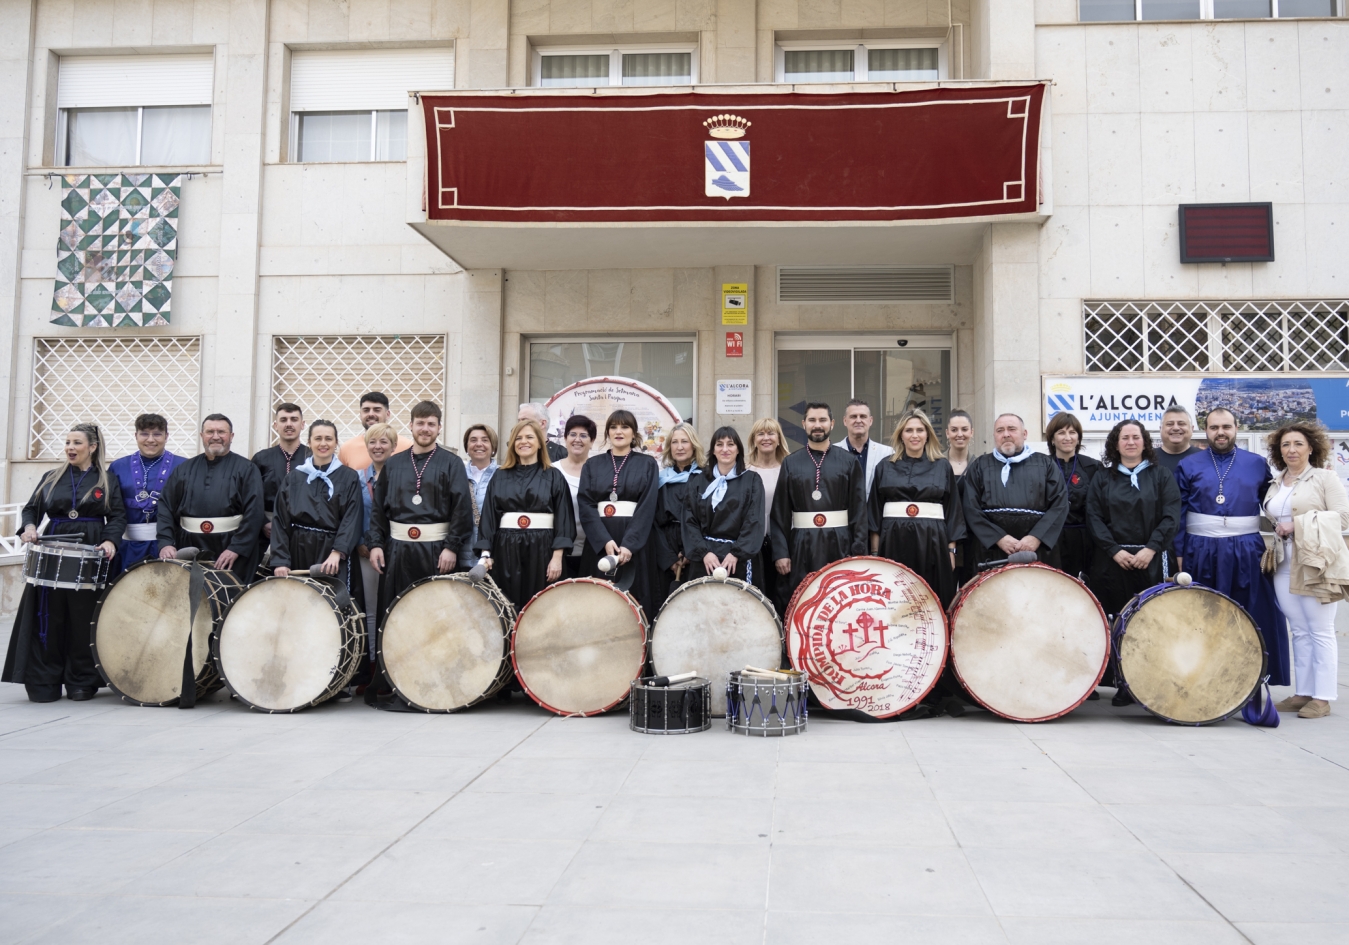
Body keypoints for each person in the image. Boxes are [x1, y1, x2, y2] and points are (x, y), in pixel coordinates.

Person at [3, 425, 124, 702]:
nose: (70, 447)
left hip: (90, 550)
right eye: (67, 442)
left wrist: (110, 541)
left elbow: (117, 517)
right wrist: (30, 527)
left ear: (92, 447)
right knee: (48, 618)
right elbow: (31, 508)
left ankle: (81, 681)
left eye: (77, 443)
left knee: (83, 618)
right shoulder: (51, 477)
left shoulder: (107, 480)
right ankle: (44, 681)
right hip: (52, 551)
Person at [1175, 407, 1287, 686]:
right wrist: (1178, 553)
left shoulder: (1256, 463)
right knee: (1202, 615)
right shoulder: (1188, 465)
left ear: (1236, 428)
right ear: (1206, 430)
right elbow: (1177, 513)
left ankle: (1254, 678)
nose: (1220, 433)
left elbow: (1274, 504)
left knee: (1253, 612)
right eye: (1214, 428)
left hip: (1246, 549)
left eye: (1226, 427)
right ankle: (1201, 679)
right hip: (1199, 550)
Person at [1086, 420, 1182, 706]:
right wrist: (1115, 550)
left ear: (1144, 442)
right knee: (1118, 621)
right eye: (1124, 438)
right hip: (1113, 561)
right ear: (1116, 444)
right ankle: (1123, 684)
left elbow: (1170, 516)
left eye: (1135, 437)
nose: (1130, 442)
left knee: (1150, 622)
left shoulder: (1161, 475)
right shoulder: (1103, 478)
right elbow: (1094, 517)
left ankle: (1152, 682)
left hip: (1152, 560)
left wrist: (1150, 549)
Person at [1263, 422, 1349, 719]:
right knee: (1299, 630)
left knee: (1321, 630)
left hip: (1316, 562)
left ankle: (1323, 697)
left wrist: (1297, 525)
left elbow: (1343, 517)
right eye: (1285, 445)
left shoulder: (1324, 478)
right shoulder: (1277, 481)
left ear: (1311, 447)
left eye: (1298, 444)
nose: (1291, 450)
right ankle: (1304, 693)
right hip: (1283, 562)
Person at [367, 401, 474, 603]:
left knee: (437, 611)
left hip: (437, 551)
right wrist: (376, 544)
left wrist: (451, 548)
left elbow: (462, 509)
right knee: (395, 610)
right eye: (420, 423)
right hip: (397, 551)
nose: (425, 429)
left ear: (439, 428)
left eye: (431, 424)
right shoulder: (393, 463)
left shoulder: (452, 463)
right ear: (411, 425)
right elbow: (378, 510)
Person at [475, 419, 576, 613]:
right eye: (518, 438)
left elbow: (564, 518)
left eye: (529, 437)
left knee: (542, 606)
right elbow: (489, 517)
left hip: (543, 548)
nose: (524, 442)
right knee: (506, 604)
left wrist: (557, 557)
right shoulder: (500, 475)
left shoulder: (554, 476)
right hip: (506, 549)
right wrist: (486, 554)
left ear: (539, 442)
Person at [868, 409, 965, 605]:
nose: (914, 435)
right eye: (908, 430)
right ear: (901, 435)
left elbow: (952, 510)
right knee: (895, 601)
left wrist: (951, 552)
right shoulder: (884, 466)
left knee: (933, 599)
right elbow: (874, 514)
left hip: (933, 542)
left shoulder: (942, 466)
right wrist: (876, 555)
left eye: (920, 430)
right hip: (894, 541)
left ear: (927, 434)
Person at [770, 403, 868, 597]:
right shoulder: (791, 463)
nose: (817, 425)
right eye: (812, 420)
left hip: (840, 543)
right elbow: (779, 512)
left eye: (822, 420)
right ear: (804, 424)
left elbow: (859, 511)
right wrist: (781, 553)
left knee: (839, 598)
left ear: (831, 424)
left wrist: (857, 553)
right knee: (803, 597)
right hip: (801, 545)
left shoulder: (849, 461)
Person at [157, 414, 265, 583]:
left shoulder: (247, 469)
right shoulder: (183, 470)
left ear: (231, 436)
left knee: (231, 600)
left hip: (231, 549)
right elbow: (165, 507)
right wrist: (165, 542)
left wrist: (236, 548)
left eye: (221, 432)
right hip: (188, 546)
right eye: (210, 432)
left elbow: (254, 512)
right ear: (202, 436)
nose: (215, 436)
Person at [577, 410, 661, 617]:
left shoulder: (647, 464)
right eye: (613, 427)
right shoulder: (592, 465)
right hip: (601, 541)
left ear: (634, 433)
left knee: (635, 600)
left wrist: (630, 544)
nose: (619, 431)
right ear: (607, 433)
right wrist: (604, 540)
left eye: (624, 427)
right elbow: (586, 505)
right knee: (597, 600)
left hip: (635, 542)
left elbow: (647, 506)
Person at [961, 413, 1069, 569]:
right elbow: (970, 508)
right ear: (994, 435)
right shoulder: (979, 466)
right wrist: (999, 538)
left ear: (1024, 434)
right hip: (992, 550)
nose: (1006, 434)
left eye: (1012, 429)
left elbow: (1060, 505)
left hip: (1037, 550)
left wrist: (1035, 537)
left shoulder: (1046, 464)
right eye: (1000, 430)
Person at [271, 419, 364, 590]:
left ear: (336, 443)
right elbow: (280, 521)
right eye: (318, 438)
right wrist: (281, 560)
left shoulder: (349, 477)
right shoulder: (293, 478)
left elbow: (352, 518)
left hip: (333, 553)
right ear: (309, 442)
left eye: (328, 439)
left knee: (334, 608)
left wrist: (338, 552)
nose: (323, 443)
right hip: (298, 549)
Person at [683, 427, 765, 583]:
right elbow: (689, 520)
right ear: (713, 450)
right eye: (719, 444)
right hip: (706, 559)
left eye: (730, 444)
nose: (725, 449)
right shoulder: (698, 481)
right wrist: (704, 553)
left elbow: (754, 520)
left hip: (739, 559)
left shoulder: (752, 480)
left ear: (738, 450)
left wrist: (736, 553)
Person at [108, 413, 185, 574]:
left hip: (169, 547)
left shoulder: (183, 466)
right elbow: (111, 509)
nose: (151, 439)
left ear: (166, 436)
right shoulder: (118, 467)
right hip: (127, 548)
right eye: (144, 434)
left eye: (157, 434)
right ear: (136, 436)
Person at [355, 423, 397, 670]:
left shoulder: (402, 475)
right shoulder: (357, 479)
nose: (378, 447)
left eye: (384, 442)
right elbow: (351, 515)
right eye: (373, 442)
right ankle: (372, 665)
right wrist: (361, 542)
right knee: (371, 609)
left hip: (397, 551)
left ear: (393, 447)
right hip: (366, 553)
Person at [1046, 412, 1103, 581]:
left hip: (1084, 540)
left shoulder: (1093, 467)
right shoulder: (1042, 465)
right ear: (1052, 438)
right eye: (1061, 432)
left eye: (1072, 432)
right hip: (1052, 541)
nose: (1067, 437)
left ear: (1078, 438)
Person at [252, 403, 311, 556]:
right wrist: (263, 522)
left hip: (306, 531)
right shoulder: (261, 458)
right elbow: (251, 497)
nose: (289, 424)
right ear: (275, 425)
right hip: (266, 531)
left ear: (302, 424)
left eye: (294, 419)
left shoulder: (313, 457)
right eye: (283, 420)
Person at [654, 422, 704, 600]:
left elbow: (708, 519)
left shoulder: (705, 478)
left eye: (685, 441)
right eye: (675, 442)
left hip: (696, 543)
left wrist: (691, 550)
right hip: (665, 545)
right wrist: (668, 558)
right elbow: (653, 521)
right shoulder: (660, 479)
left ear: (694, 445)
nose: (680, 447)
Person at [747, 417, 790, 609]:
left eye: (771, 433)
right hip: (754, 545)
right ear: (754, 440)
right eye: (760, 433)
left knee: (780, 595)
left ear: (779, 439)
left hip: (782, 543)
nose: (766, 438)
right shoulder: (745, 471)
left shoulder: (788, 469)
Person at [555, 414, 595, 579]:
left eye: (584, 435)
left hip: (592, 551)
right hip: (558, 554)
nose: (577, 439)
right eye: (572, 434)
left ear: (592, 442)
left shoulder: (599, 472)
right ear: (565, 439)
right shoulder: (552, 471)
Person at [338, 392, 412, 470]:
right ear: (360, 415)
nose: (371, 414)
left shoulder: (407, 447)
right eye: (366, 410)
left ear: (388, 414)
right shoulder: (347, 449)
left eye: (377, 410)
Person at [462, 423, 499, 572]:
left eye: (485, 440)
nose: (479, 444)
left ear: (493, 446)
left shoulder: (503, 475)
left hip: (493, 556)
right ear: (466, 446)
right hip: (460, 555)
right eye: (473, 440)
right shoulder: (456, 475)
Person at [841, 399, 894, 496]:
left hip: (876, 511)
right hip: (844, 510)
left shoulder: (887, 453)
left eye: (863, 416)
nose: (858, 420)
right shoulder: (832, 452)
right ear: (845, 421)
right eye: (853, 417)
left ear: (870, 421)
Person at [1154, 405, 1203, 477]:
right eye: (1170, 424)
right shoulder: (1147, 459)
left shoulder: (1204, 459)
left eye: (1181, 424)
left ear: (1192, 429)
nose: (1176, 428)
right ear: (1161, 429)